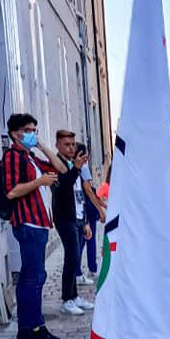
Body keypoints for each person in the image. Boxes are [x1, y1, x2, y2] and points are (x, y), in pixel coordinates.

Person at [2, 113, 67, 339]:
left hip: (39, 222)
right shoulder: (12, 157)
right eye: (28, 130)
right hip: (27, 223)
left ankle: (25, 326)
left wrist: (40, 145)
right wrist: (40, 182)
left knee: (30, 276)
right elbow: (11, 191)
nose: (32, 134)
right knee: (35, 277)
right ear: (15, 133)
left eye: (34, 130)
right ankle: (36, 326)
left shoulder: (30, 157)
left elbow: (61, 168)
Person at [51, 131, 95, 317]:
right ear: (58, 146)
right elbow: (61, 189)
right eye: (66, 144)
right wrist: (76, 168)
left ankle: (74, 296)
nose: (71, 148)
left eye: (72, 144)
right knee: (71, 256)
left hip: (77, 216)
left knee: (75, 258)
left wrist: (85, 221)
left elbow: (80, 195)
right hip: (64, 218)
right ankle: (66, 299)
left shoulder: (73, 164)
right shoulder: (57, 165)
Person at [79, 153, 107, 283]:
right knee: (89, 239)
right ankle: (92, 268)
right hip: (88, 209)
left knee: (82, 241)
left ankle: (79, 269)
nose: (87, 157)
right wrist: (101, 209)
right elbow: (90, 190)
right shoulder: (83, 168)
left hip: (82, 208)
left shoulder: (76, 167)